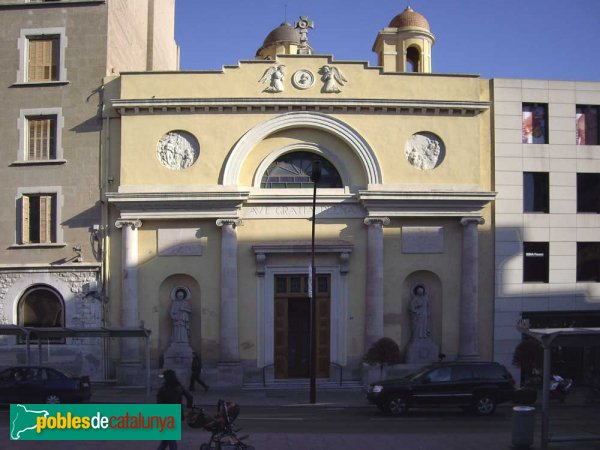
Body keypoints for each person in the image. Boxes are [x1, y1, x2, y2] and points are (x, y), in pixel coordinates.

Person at [157, 369, 193, 450]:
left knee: (169, 439)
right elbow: (190, 397)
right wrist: (189, 407)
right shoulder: (179, 387)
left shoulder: (163, 389)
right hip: (176, 414)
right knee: (166, 440)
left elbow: (158, 405)